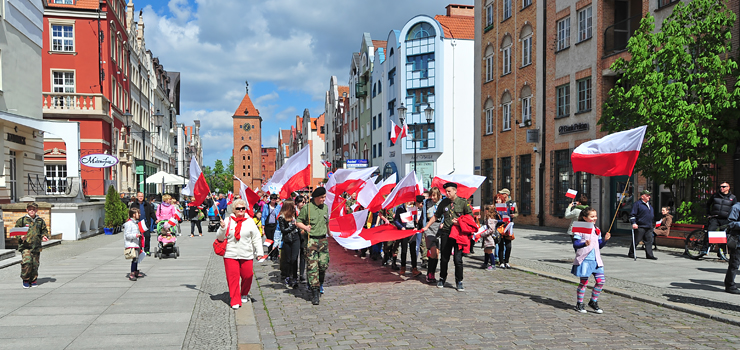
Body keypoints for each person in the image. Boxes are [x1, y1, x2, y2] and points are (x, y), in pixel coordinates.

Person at [421, 182, 472, 292]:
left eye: (449, 191)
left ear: (455, 191)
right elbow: (436, 216)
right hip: (446, 233)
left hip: (458, 234)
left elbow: (470, 217)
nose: (447, 193)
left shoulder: (462, 202)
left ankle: (459, 281)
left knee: (458, 259)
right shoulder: (444, 203)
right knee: (444, 258)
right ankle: (442, 278)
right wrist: (427, 226)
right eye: (446, 191)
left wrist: (460, 222)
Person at [217, 199, 264, 310]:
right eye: (238, 208)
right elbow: (219, 237)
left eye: (243, 208)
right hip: (230, 253)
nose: (241, 210)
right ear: (234, 209)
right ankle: (235, 299)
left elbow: (256, 237)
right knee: (232, 278)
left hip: (246, 253)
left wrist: (259, 252)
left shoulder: (250, 221)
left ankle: (244, 293)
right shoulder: (228, 220)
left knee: (248, 275)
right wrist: (222, 228)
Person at [571, 207, 610, 313]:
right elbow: (575, 244)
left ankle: (593, 301)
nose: (594, 218)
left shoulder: (597, 229)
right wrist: (584, 243)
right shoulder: (580, 227)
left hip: (596, 259)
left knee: (601, 281)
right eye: (592, 216)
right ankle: (579, 304)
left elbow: (599, 245)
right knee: (584, 282)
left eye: (595, 216)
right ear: (585, 218)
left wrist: (605, 240)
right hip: (585, 259)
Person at [296, 187, 330, 305]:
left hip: (323, 240)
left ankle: (320, 283)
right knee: (312, 267)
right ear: (316, 197)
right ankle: (315, 292)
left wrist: (330, 233)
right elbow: (298, 221)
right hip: (311, 241)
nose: (324, 200)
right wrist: (305, 227)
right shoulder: (307, 208)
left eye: (324, 197)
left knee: (323, 265)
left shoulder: (325, 207)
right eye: (322, 197)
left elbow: (326, 222)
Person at [15, 202, 50, 288]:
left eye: (33, 209)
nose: (32, 211)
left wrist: (44, 236)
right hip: (25, 246)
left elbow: (44, 231)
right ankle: (26, 279)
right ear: (27, 210)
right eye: (30, 209)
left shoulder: (40, 221)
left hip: (36, 246)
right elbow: (16, 231)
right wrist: (20, 237)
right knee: (27, 262)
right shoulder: (22, 220)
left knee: (35, 264)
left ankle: (33, 280)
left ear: (36, 210)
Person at [393, 199, 422, 277]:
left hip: (412, 231)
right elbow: (396, 220)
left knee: (413, 250)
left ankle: (414, 268)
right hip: (404, 230)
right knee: (404, 250)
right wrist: (401, 227)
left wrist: (416, 226)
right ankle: (403, 267)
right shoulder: (400, 208)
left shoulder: (413, 208)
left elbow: (416, 220)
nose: (413, 201)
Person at [707, 182, 737, 260]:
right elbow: (708, 204)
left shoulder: (732, 198)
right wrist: (708, 214)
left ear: (728, 188)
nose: (721, 188)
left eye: (723, 187)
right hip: (715, 217)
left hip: (725, 219)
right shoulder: (715, 196)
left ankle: (721, 252)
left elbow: (735, 208)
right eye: (720, 187)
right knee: (711, 231)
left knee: (723, 235)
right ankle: (704, 248)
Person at [628, 190, 657, 260]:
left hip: (649, 225)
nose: (649, 197)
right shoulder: (637, 204)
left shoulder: (649, 204)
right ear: (642, 196)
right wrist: (633, 223)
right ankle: (631, 253)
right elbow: (632, 214)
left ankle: (649, 255)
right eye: (647, 195)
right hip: (640, 226)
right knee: (636, 240)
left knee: (649, 241)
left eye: (649, 195)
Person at [278, 200, 301, 288]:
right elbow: (283, 230)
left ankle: (295, 277)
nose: (295, 206)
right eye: (293, 205)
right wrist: (293, 226)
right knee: (288, 260)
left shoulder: (295, 214)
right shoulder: (281, 217)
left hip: (296, 238)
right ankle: (288, 276)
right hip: (287, 239)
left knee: (294, 259)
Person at [424, 187, 443, 283]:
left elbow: (444, 215)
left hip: (439, 229)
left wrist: (443, 223)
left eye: (434, 195)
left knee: (437, 254)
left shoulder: (442, 203)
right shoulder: (426, 203)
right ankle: (429, 273)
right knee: (433, 251)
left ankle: (432, 273)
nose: (432, 197)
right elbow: (423, 215)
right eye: (431, 195)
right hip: (429, 228)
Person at [724, 202, 740, 294]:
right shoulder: (736, 207)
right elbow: (730, 223)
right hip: (737, 241)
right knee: (734, 264)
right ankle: (730, 285)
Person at [124, 207, 143, 281]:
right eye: (138, 213)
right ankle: (132, 273)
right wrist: (135, 235)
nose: (140, 214)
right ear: (134, 215)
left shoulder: (136, 223)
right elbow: (127, 235)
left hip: (136, 243)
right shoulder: (129, 224)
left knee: (137, 258)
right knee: (134, 259)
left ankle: (135, 271)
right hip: (131, 244)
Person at [495, 194, 514, 269]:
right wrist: (502, 221)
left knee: (508, 246)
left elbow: (509, 217)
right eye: (496, 199)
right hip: (499, 228)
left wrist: (510, 219)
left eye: (499, 199)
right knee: (501, 246)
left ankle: (507, 261)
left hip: (507, 228)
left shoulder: (506, 208)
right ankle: (501, 262)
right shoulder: (494, 209)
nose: (497, 200)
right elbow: (494, 220)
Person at [261, 194, 282, 260]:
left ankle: (275, 254)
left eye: (275, 200)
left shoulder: (278, 206)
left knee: (275, 239)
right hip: (268, 225)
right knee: (269, 239)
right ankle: (270, 253)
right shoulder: (266, 206)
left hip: (275, 225)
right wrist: (263, 224)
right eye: (272, 200)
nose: (273, 201)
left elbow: (279, 215)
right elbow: (263, 216)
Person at [479, 204, 499, 270]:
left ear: (487, 211)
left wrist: (483, 234)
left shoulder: (490, 219)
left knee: (489, 251)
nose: (484, 211)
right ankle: (485, 263)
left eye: (485, 210)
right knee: (486, 250)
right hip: (486, 238)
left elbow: (491, 229)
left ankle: (493, 265)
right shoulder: (487, 218)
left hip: (489, 238)